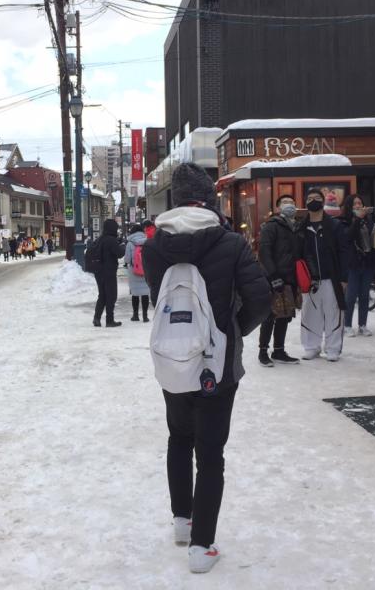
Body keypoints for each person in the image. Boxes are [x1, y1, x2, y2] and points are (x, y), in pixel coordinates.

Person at [142, 162, 271, 574]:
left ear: (175, 199)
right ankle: (202, 548)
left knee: (178, 437)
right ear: (209, 198)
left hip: (173, 358)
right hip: (217, 364)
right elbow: (261, 300)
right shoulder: (230, 243)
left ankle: (183, 523)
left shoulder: (153, 245)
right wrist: (235, 331)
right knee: (210, 453)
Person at [301, 188, 351, 361]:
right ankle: (311, 347)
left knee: (333, 313)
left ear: (323, 202)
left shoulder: (335, 225)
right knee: (310, 314)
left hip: (332, 277)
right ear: (305, 203)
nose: (313, 200)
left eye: (317, 198)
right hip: (309, 280)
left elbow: (345, 252)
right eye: (309, 198)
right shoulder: (301, 227)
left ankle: (333, 348)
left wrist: (344, 277)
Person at [256, 194, 302, 366]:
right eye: (284, 203)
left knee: (285, 315)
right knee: (270, 316)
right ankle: (262, 352)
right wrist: (273, 276)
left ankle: (279, 351)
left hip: (290, 278)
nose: (289, 205)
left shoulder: (296, 226)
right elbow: (264, 252)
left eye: (291, 202)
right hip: (273, 277)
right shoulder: (271, 226)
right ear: (277, 208)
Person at [340, 195, 375, 338]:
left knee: (364, 296)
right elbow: (347, 237)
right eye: (355, 203)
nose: (358, 205)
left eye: (360, 203)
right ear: (349, 206)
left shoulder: (369, 221)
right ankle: (347, 325)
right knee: (350, 297)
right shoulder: (344, 221)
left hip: (368, 262)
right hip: (352, 263)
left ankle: (363, 325)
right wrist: (357, 219)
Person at [89, 218, 125, 327]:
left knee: (102, 295)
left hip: (98, 271)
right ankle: (109, 320)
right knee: (111, 295)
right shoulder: (111, 240)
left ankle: (97, 318)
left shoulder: (100, 239)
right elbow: (119, 253)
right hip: (109, 271)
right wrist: (123, 246)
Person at [124, 223, 151, 322]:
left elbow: (127, 259)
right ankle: (145, 316)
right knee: (145, 293)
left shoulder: (130, 243)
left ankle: (135, 315)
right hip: (146, 270)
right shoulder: (147, 241)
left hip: (134, 271)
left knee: (135, 294)